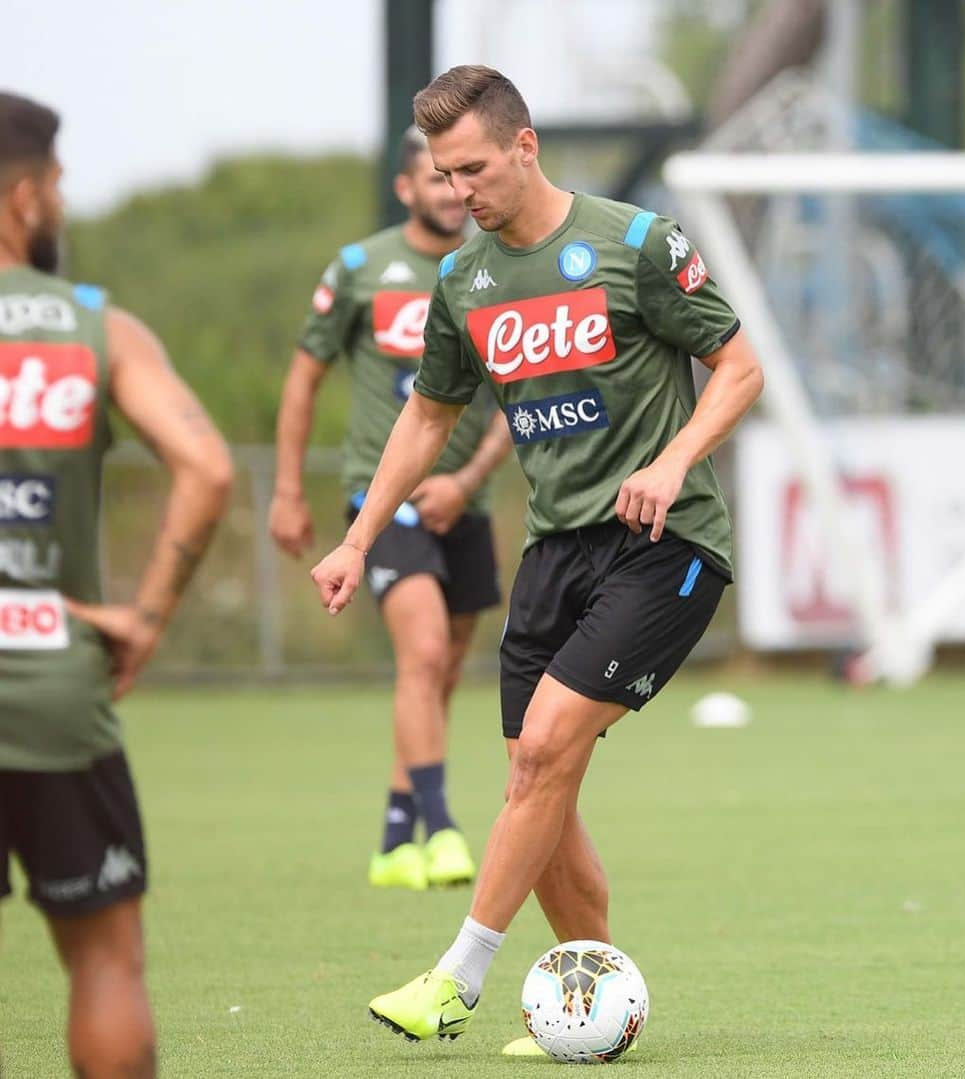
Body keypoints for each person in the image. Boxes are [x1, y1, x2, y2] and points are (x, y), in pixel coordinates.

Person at [310, 65, 763, 1054]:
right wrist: (354, 536)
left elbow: (740, 364)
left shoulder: (636, 243)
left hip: (665, 543)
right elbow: (428, 413)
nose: (457, 190)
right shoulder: (463, 280)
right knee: (537, 776)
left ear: (526, 145)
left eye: (472, 167)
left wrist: (675, 456)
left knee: (547, 747)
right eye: (442, 172)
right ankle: (594, 1005)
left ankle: (456, 974)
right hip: (553, 554)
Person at [0, 92, 233, 1077]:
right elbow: (210, 468)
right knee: (104, 960)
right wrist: (144, 616)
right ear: (21, 197)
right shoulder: (95, 329)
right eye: (54, 184)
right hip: (53, 672)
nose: (59, 201)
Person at [271, 126, 511, 892]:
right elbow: (303, 379)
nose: (452, 192)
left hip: (461, 499)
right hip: (385, 497)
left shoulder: (496, 267)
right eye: (437, 179)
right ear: (408, 188)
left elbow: (521, 392)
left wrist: (467, 480)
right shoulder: (360, 269)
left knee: (442, 667)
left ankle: (392, 834)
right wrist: (283, 489)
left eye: (460, 178)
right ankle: (441, 828)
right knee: (424, 649)